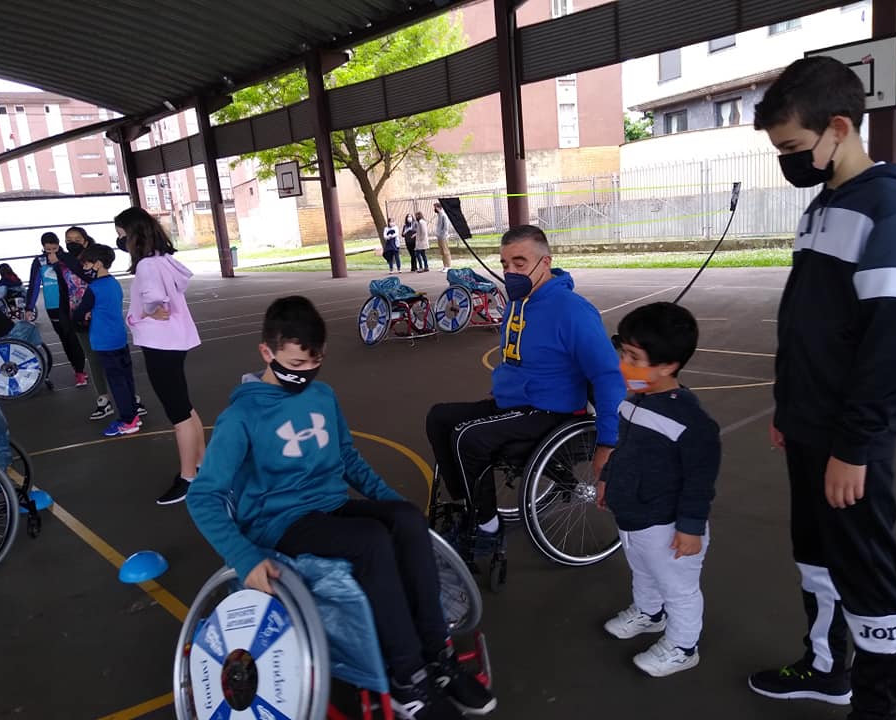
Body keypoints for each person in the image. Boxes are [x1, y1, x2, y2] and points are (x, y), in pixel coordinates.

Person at [186, 296, 496, 720]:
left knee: (406, 520)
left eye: (314, 363)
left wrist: (392, 505)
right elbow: (203, 496)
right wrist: (244, 557)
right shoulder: (241, 417)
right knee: (370, 542)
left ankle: (436, 657)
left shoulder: (322, 395)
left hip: (328, 505)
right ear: (267, 353)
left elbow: (348, 459)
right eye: (294, 365)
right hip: (278, 522)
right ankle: (407, 679)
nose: (305, 374)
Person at [748, 57, 896, 720]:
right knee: (816, 557)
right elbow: (810, 322)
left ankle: (875, 707)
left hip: (848, 442)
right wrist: (787, 405)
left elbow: (891, 347)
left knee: (866, 573)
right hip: (806, 424)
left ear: (839, 128)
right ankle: (827, 668)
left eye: (794, 148)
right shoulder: (825, 203)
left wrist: (854, 448)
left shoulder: (889, 208)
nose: (789, 163)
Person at [426, 224, 624, 542]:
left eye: (520, 263)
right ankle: (470, 503)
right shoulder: (518, 302)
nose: (510, 272)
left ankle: (486, 529)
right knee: (440, 418)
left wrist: (608, 442)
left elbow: (608, 375)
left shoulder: (572, 311)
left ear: (545, 263)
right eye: (505, 264)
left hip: (550, 411)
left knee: (469, 438)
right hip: (516, 404)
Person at [596, 302, 720, 678]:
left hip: (668, 527)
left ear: (667, 366)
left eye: (634, 357)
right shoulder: (634, 402)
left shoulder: (692, 422)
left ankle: (684, 646)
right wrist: (607, 480)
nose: (623, 363)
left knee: (678, 588)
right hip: (633, 516)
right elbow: (624, 448)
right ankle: (650, 613)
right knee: (643, 571)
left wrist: (691, 528)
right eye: (623, 353)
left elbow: (700, 481)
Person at [117, 207, 204, 506]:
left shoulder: (146, 267)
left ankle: (188, 477)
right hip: (175, 343)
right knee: (185, 406)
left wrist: (148, 310)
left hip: (161, 345)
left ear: (133, 235)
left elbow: (156, 303)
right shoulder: (163, 259)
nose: (121, 241)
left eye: (122, 235)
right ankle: (202, 465)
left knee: (177, 413)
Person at [64, 225, 146, 422]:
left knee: (116, 381)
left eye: (86, 264)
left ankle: (128, 419)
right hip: (118, 338)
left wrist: (80, 316)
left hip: (103, 341)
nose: (83, 267)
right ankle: (133, 411)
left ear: (98, 264)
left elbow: (79, 313)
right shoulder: (114, 283)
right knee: (125, 377)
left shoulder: (94, 288)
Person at [24, 232, 87, 386]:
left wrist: (59, 261)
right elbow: (33, 285)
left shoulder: (67, 258)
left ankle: (80, 371)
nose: (51, 252)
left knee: (73, 338)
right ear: (43, 248)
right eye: (48, 249)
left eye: (54, 248)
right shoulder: (39, 262)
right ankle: (75, 366)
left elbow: (79, 273)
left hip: (69, 304)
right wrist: (29, 308)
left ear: (59, 245)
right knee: (64, 339)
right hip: (52, 305)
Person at [433, 202, 452, 272]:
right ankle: (444, 266)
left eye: (435, 207)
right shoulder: (439, 215)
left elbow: (446, 227)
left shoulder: (444, 215)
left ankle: (448, 266)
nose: (434, 209)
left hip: (443, 236)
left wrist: (442, 234)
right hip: (439, 236)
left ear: (438, 207)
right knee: (442, 252)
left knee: (445, 251)